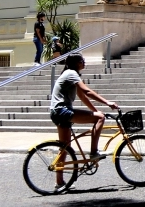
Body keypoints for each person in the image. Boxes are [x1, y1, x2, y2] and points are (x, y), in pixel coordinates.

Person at [48, 54, 118, 186]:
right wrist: (107, 103)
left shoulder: (71, 74)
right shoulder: (71, 73)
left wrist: (94, 110)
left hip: (56, 112)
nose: (84, 62)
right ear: (76, 63)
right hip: (63, 111)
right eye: (82, 61)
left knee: (65, 147)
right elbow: (87, 92)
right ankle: (93, 153)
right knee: (100, 118)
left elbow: (82, 97)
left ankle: (59, 182)